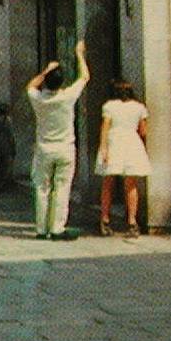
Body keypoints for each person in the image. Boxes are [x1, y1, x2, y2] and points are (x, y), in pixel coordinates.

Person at [25, 41, 89, 240]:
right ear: (62, 83)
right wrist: (79, 54)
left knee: (42, 188)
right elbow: (85, 77)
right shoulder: (67, 97)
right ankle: (57, 228)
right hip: (65, 148)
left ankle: (41, 229)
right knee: (62, 188)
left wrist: (46, 71)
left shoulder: (39, 99)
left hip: (44, 148)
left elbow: (30, 85)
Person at [95, 80, 150, 237]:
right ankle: (132, 222)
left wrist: (103, 148)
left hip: (114, 141)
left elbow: (105, 128)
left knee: (108, 183)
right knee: (131, 184)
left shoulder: (109, 106)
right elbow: (144, 131)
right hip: (132, 142)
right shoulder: (139, 107)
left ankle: (105, 220)